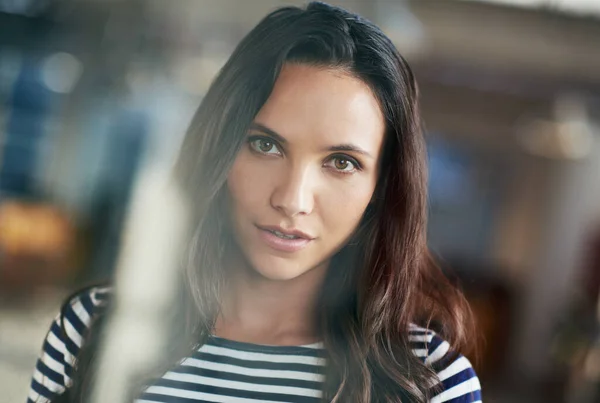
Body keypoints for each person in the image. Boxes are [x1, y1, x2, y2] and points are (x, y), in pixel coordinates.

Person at [27, 2, 482, 402]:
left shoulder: (430, 382)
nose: (292, 199)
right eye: (266, 146)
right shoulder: (91, 329)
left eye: (341, 162)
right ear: (219, 150)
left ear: (381, 187)